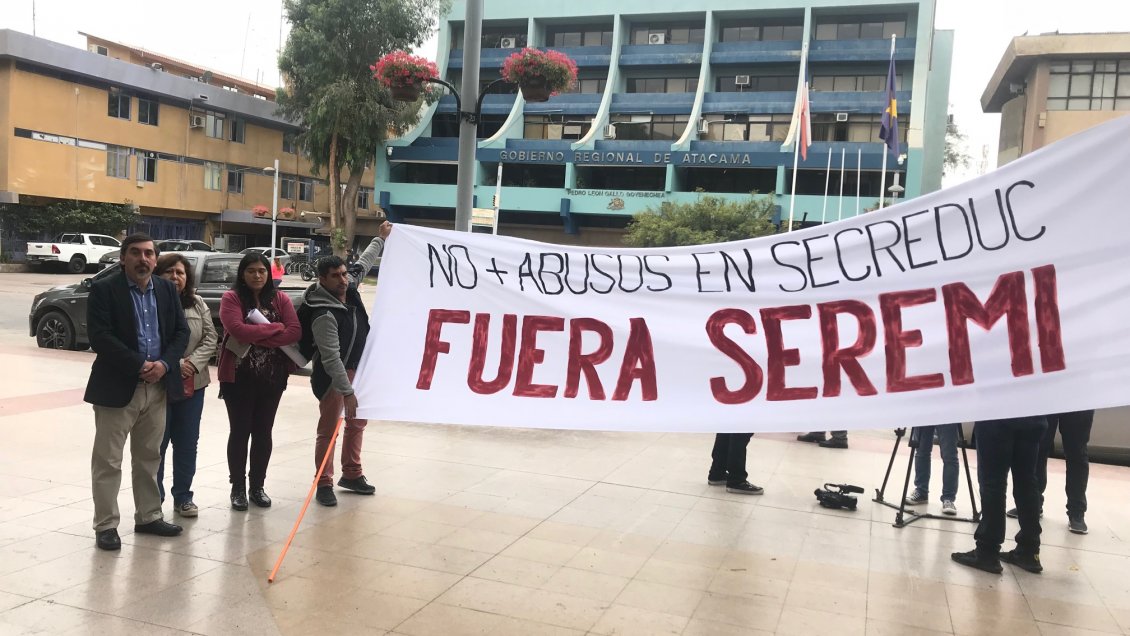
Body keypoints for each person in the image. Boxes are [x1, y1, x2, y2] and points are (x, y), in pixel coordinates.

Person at [85, 234, 189, 551]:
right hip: (117, 388)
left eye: (148, 254)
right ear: (123, 258)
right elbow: (100, 336)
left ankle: (148, 517)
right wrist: (139, 364)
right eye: (135, 253)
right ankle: (106, 525)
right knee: (108, 461)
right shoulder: (105, 289)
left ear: (155, 260)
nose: (143, 259)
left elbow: (180, 332)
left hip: (157, 388)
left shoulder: (167, 289)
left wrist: (164, 365)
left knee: (148, 458)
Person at [299, 224, 391, 507]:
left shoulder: (349, 288)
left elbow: (365, 262)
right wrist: (347, 391)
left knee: (357, 423)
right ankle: (323, 482)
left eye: (343, 273)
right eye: (336, 276)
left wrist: (380, 238)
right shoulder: (323, 312)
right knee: (329, 429)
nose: (343, 279)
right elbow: (330, 357)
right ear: (322, 280)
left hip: (358, 371)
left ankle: (351, 473)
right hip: (334, 377)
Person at [217, 253, 302, 511]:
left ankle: (257, 486)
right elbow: (238, 330)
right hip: (239, 378)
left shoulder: (280, 298)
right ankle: (238, 488)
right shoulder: (231, 298)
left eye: (262, 271)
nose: (257, 275)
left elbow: (295, 331)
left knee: (263, 432)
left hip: (272, 378)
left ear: (269, 274)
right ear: (242, 273)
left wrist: (261, 335)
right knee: (240, 432)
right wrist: (276, 329)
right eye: (251, 271)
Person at [154, 253, 218, 518]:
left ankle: (183, 497)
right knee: (155, 443)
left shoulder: (198, 303)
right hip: (157, 383)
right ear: (158, 275)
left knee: (187, 443)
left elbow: (211, 337)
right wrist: (171, 364)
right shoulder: (150, 303)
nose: (175, 277)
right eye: (169, 272)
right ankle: (152, 500)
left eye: (180, 273)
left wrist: (191, 364)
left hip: (193, 384)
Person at [952, 416, 1047, 575]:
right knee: (1027, 481)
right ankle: (1030, 551)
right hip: (1033, 417)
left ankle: (987, 551)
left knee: (993, 482)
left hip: (997, 416)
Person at [1007, 409, 1094, 535]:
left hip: (1080, 399)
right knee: (1038, 449)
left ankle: (1077, 513)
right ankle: (1034, 505)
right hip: (1049, 397)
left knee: (1077, 453)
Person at [904, 423, 961, 515]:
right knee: (921, 451)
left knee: (949, 455)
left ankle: (948, 499)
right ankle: (921, 492)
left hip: (948, 411)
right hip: (925, 410)